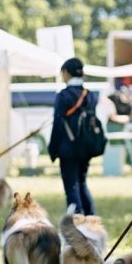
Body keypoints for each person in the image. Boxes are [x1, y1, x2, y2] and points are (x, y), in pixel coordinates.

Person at [48, 57, 97, 213]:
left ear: (66, 73)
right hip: (86, 147)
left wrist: (53, 149)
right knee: (81, 183)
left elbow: (57, 124)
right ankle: (91, 219)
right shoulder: (89, 95)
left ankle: (77, 223)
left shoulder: (63, 96)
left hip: (68, 148)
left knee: (71, 187)